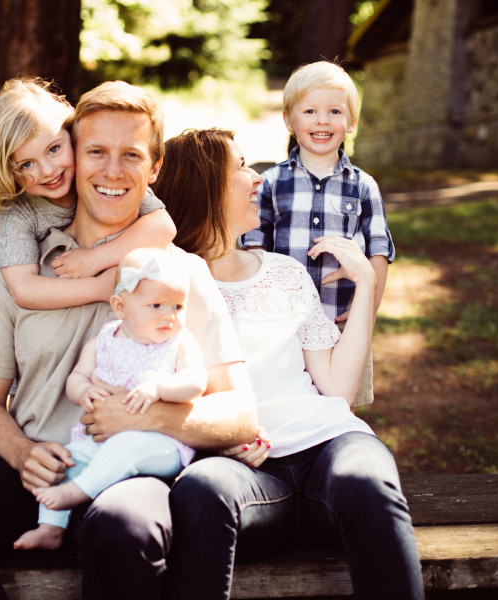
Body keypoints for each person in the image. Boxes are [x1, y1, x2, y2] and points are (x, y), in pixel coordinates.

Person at [0, 84, 257, 600]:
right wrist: (22, 451)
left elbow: (240, 413)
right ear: (76, 151)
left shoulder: (181, 274)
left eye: (131, 156)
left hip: (128, 474)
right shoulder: (22, 273)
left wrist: (146, 417)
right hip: (40, 472)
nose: (112, 172)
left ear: (154, 167)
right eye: (96, 152)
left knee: (127, 529)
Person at [153, 129, 424, 600]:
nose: (256, 178)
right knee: (200, 489)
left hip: (327, 449)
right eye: (239, 167)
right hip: (249, 473)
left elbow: (337, 389)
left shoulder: (284, 272)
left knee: (368, 481)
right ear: (205, 184)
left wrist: (365, 285)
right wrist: (213, 442)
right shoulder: (166, 287)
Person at [14, 247, 208, 551]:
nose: (169, 316)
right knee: (68, 459)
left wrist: (161, 387)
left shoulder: (180, 343)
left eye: (178, 307)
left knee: (125, 446)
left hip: (161, 444)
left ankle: (77, 493)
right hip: (100, 442)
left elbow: (196, 381)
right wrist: (85, 391)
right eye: (156, 305)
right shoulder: (102, 340)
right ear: (120, 307)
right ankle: (50, 527)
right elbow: (76, 379)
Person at [242, 61, 395, 406]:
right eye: (310, 110)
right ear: (289, 120)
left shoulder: (364, 187)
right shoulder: (271, 183)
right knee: (283, 403)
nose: (322, 120)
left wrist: (365, 313)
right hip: (283, 326)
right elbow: (253, 249)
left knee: (338, 410)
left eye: (335, 111)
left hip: (340, 324)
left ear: (351, 122)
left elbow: (379, 254)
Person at [0, 77, 176, 310]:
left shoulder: (94, 176)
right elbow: (23, 289)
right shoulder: (18, 213)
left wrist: (95, 259)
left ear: (72, 137)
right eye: (26, 164)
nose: (48, 171)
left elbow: (163, 226)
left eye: (54, 149)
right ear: (9, 173)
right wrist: (99, 288)